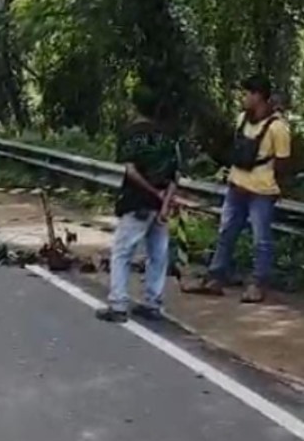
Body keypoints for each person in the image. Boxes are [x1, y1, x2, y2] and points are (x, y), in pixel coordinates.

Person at [188, 75, 291, 303]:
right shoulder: (242, 119)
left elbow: (283, 162)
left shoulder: (278, 128)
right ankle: (216, 276)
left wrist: (274, 184)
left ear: (258, 96)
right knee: (226, 233)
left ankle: (258, 283)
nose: (243, 98)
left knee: (260, 240)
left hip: (261, 190)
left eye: (247, 93)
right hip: (237, 184)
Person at [96, 87, 181, 323]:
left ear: (135, 107)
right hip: (160, 205)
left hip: (136, 202)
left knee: (122, 253)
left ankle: (119, 304)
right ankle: (153, 303)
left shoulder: (131, 133)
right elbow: (175, 175)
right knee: (158, 255)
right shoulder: (168, 136)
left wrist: (151, 191)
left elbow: (130, 170)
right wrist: (164, 203)